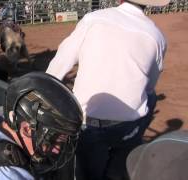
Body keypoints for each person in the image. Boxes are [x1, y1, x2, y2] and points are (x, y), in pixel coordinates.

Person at [46, 0, 169, 179]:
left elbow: (58, 67)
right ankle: (119, 163)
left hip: (88, 123)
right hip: (128, 126)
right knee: (151, 99)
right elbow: (149, 86)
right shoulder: (157, 36)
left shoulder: (93, 20)